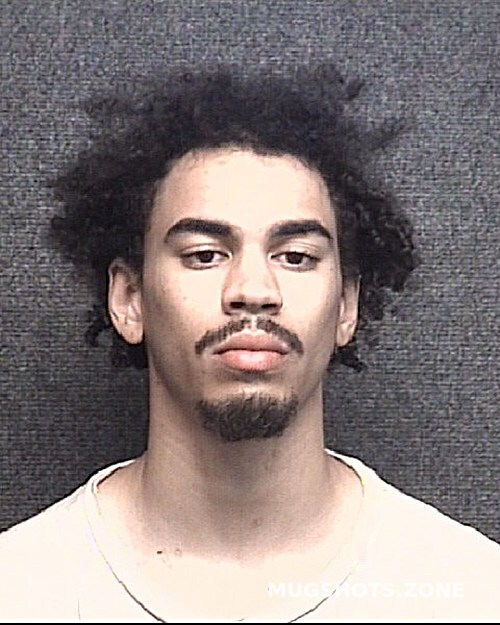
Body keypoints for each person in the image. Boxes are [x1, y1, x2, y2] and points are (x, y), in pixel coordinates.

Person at [1, 65, 498, 622]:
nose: (254, 291)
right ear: (130, 298)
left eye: (296, 257)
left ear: (346, 305)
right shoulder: (20, 591)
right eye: (204, 255)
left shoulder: (472, 593)